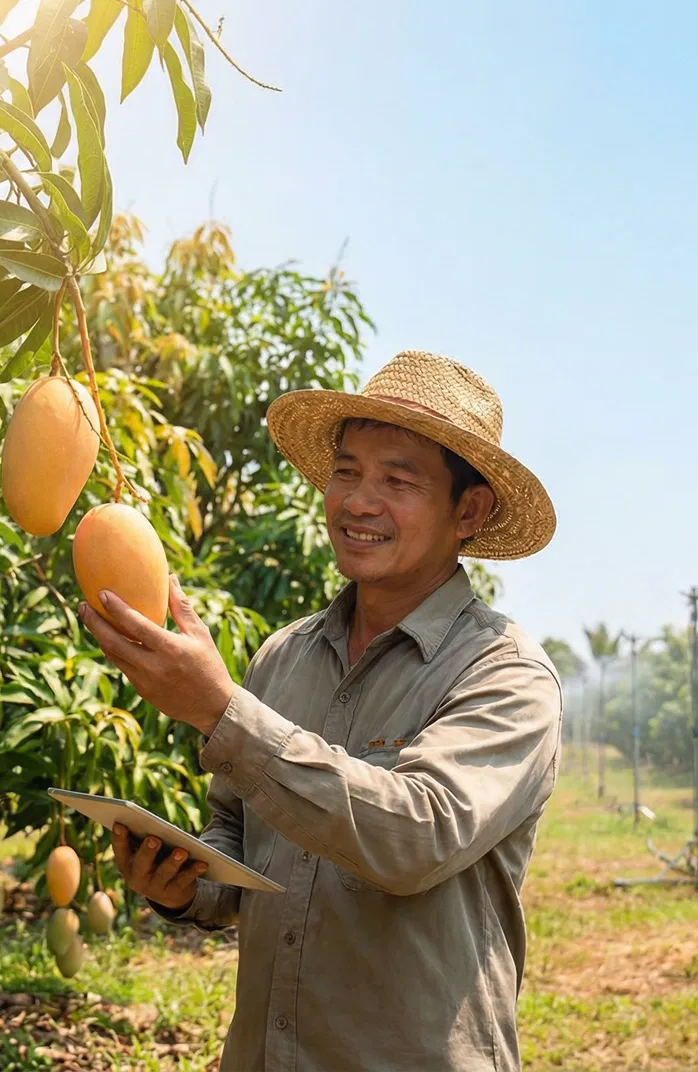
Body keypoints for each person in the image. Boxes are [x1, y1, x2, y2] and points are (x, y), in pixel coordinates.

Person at [79, 350, 564, 1072]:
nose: (358, 502)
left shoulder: (505, 674)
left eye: (398, 480)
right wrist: (183, 884)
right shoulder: (284, 657)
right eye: (347, 473)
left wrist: (220, 710)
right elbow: (240, 839)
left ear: (470, 510)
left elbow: (416, 837)